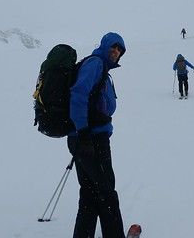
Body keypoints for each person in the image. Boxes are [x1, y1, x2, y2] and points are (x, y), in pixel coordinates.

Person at [68, 32, 127, 238]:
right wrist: (83, 131)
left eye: (119, 50)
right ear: (104, 46)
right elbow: (78, 93)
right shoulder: (95, 64)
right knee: (107, 194)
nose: (116, 51)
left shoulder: (101, 69)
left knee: (90, 194)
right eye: (113, 47)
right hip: (90, 139)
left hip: (84, 138)